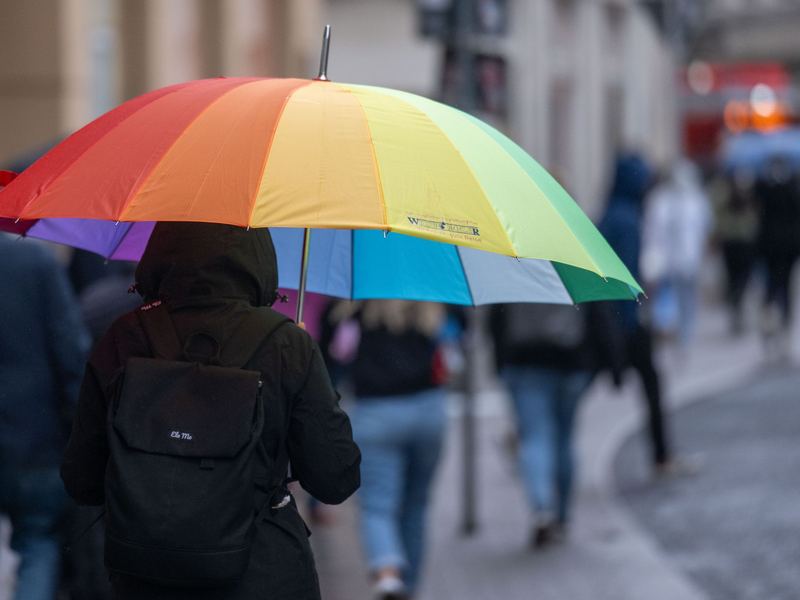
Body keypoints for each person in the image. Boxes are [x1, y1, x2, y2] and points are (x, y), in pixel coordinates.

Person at [60, 222, 361, 600]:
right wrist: (308, 385)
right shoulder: (286, 344)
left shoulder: (123, 337)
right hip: (264, 574)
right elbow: (336, 479)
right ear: (258, 258)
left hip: (147, 575)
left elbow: (82, 481)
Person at [330, 300, 450, 600]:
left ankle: (387, 575)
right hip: (428, 411)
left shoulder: (353, 311)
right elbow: (457, 345)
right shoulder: (431, 308)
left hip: (376, 414)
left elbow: (335, 359)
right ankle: (410, 587)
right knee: (416, 505)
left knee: (377, 505)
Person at [0, 233, 90, 600]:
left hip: (29, 435)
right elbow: (71, 353)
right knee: (38, 541)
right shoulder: (34, 260)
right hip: (35, 437)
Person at [491, 303, 598, 548]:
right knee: (564, 439)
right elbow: (597, 314)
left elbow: (497, 317)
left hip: (525, 361)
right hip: (571, 361)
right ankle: (560, 516)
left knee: (535, 437)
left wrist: (500, 363)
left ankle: (541, 508)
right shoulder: (577, 266)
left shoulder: (512, 265)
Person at [598, 153, 677, 475]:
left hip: (605, 316)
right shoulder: (627, 220)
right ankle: (661, 456)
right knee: (652, 383)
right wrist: (634, 319)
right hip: (621, 320)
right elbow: (626, 276)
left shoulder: (609, 214)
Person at [641, 158, 713, 349]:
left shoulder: (696, 201)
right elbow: (652, 231)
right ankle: (667, 328)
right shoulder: (660, 200)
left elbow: (703, 230)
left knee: (687, 297)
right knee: (667, 296)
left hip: (689, 259)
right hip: (666, 261)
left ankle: (685, 334)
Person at [753, 155, 800, 357]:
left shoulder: (763, 187)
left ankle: (771, 321)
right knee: (783, 287)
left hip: (772, 248)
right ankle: (780, 326)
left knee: (772, 286)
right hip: (785, 248)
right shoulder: (792, 188)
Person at [708, 167, 758, 335]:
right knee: (734, 276)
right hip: (733, 240)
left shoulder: (749, 193)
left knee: (742, 276)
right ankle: (735, 301)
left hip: (742, 240)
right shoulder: (724, 192)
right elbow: (717, 215)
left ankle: (736, 299)